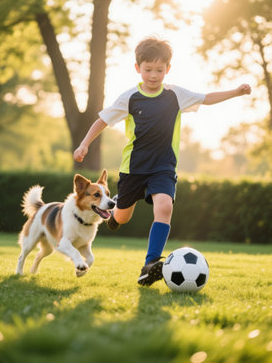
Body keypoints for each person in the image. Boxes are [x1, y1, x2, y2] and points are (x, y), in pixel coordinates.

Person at [73, 37, 251, 286]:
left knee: (165, 207)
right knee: (122, 217)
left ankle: (151, 263)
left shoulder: (175, 94)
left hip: (163, 167)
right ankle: (114, 218)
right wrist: (84, 143)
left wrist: (235, 92)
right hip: (133, 169)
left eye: (159, 70)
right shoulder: (130, 97)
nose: (154, 75)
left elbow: (206, 97)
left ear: (168, 69)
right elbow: (102, 120)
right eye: (148, 70)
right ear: (138, 68)